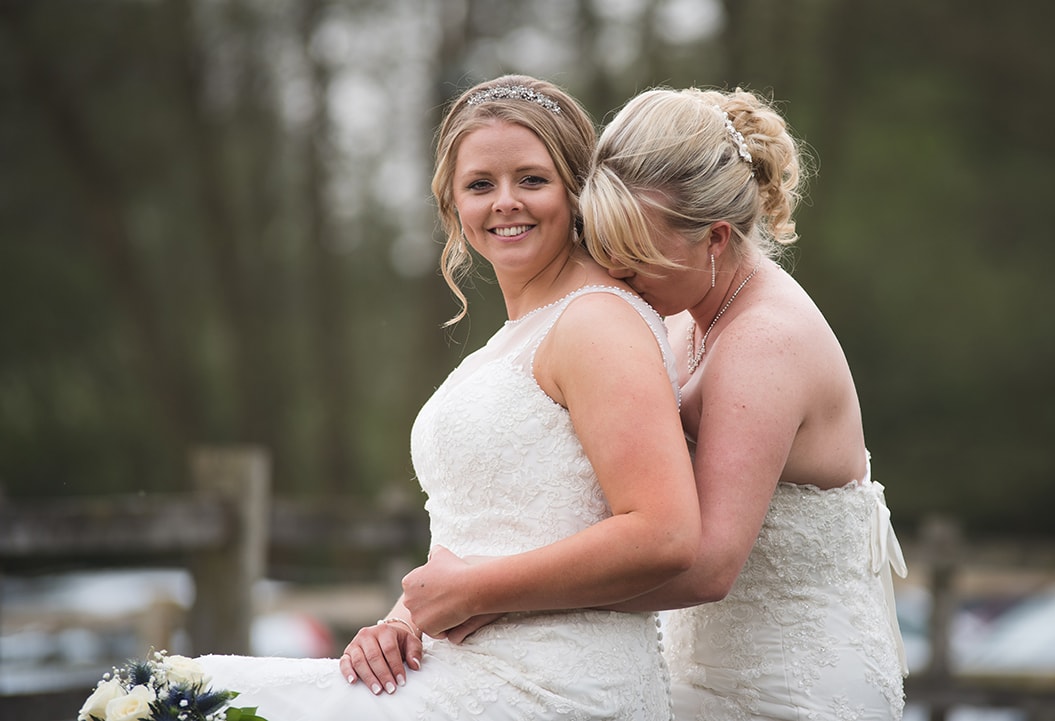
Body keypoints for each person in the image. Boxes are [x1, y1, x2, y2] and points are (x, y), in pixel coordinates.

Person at [196, 75, 700, 720]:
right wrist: (399, 623)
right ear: (452, 204)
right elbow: (481, 532)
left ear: (577, 190)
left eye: (532, 179)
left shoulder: (598, 323)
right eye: (480, 185)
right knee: (180, 692)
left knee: (195, 701)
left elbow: (666, 533)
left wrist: (470, 592)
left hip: (557, 685)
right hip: (461, 665)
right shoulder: (516, 339)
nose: (506, 203)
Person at [575, 87, 909, 720]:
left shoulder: (766, 341)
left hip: (791, 687)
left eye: (636, 254)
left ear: (715, 239)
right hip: (697, 671)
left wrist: (507, 598)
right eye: (606, 245)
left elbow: (708, 568)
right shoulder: (682, 315)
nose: (616, 270)